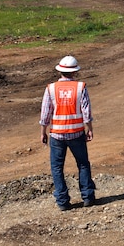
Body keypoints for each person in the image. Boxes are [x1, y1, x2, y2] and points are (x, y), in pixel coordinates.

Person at [40, 55, 96, 211]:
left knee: (57, 167)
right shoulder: (80, 87)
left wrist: (43, 132)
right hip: (76, 133)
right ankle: (87, 197)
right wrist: (90, 129)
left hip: (57, 135)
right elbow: (86, 111)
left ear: (60, 71)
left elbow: (45, 113)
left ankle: (63, 202)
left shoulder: (50, 88)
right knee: (83, 164)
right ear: (75, 72)